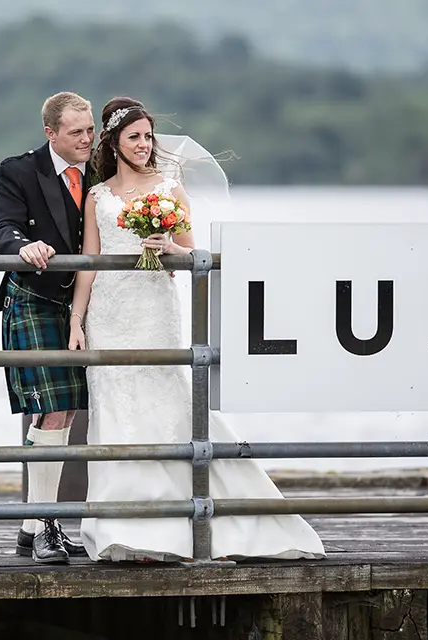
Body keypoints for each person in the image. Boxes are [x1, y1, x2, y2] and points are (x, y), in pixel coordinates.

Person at [67, 97, 325, 562]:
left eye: (148, 137)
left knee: (164, 401)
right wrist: (75, 319)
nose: (144, 145)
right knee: (115, 414)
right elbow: (88, 262)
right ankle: (122, 529)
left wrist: (166, 244)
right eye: (135, 137)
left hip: (153, 309)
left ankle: (183, 521)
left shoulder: (170, 188)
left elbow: (194, 256)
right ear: (114, 143)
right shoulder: (98, 195)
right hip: (108, 313)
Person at [0, 91, 94, 564]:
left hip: (82, 301)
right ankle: (46, 524)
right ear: (51, 133)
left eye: (90, 130)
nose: (87, 140)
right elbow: (0, 230)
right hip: (34, 296)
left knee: (66, 412)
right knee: (52, 411)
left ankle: (32, 528)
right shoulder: (19, 171)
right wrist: (23, 245)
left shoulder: (101, 168)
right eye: (76, 132)